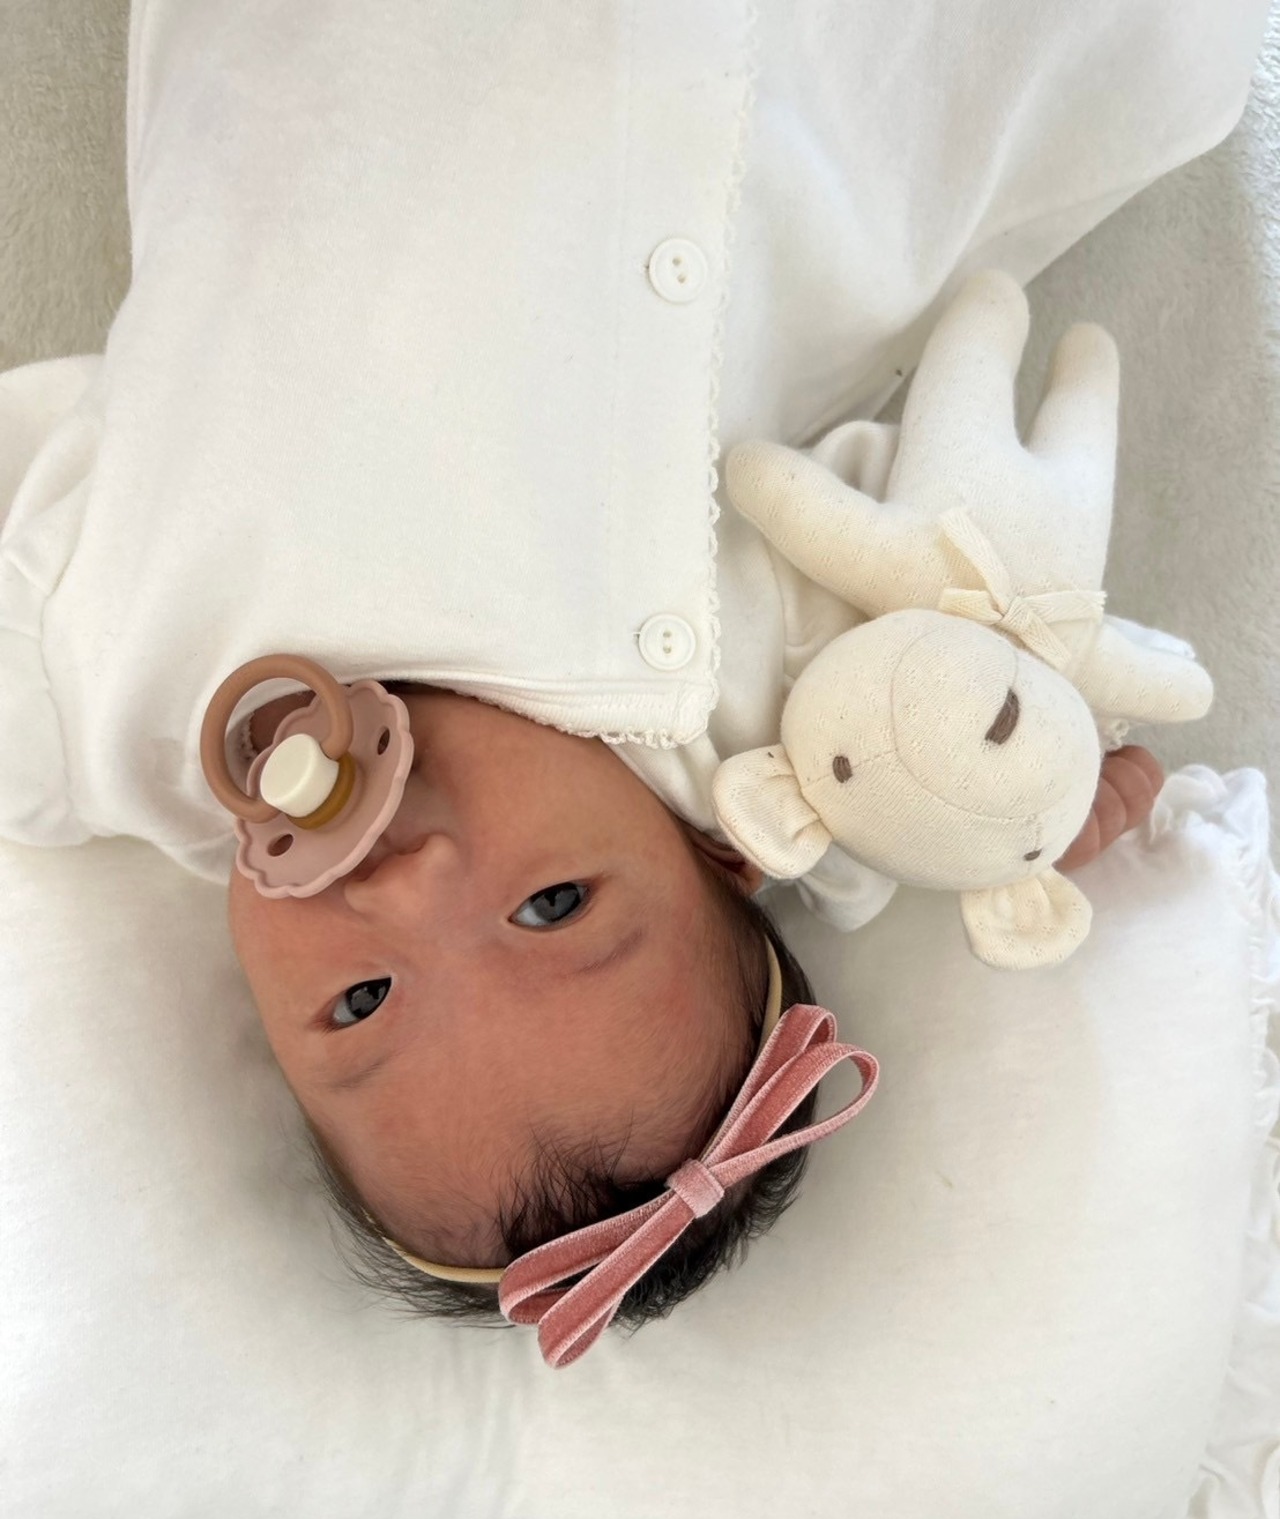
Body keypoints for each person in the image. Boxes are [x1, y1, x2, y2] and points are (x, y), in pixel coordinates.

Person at [0, 0, 1263, 1357]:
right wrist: (1018, 782)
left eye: (361, 1001)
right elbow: (943, 618)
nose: (407, 884)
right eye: (550, 905)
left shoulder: (106, 706)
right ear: (723, 852)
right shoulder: (730, 718)